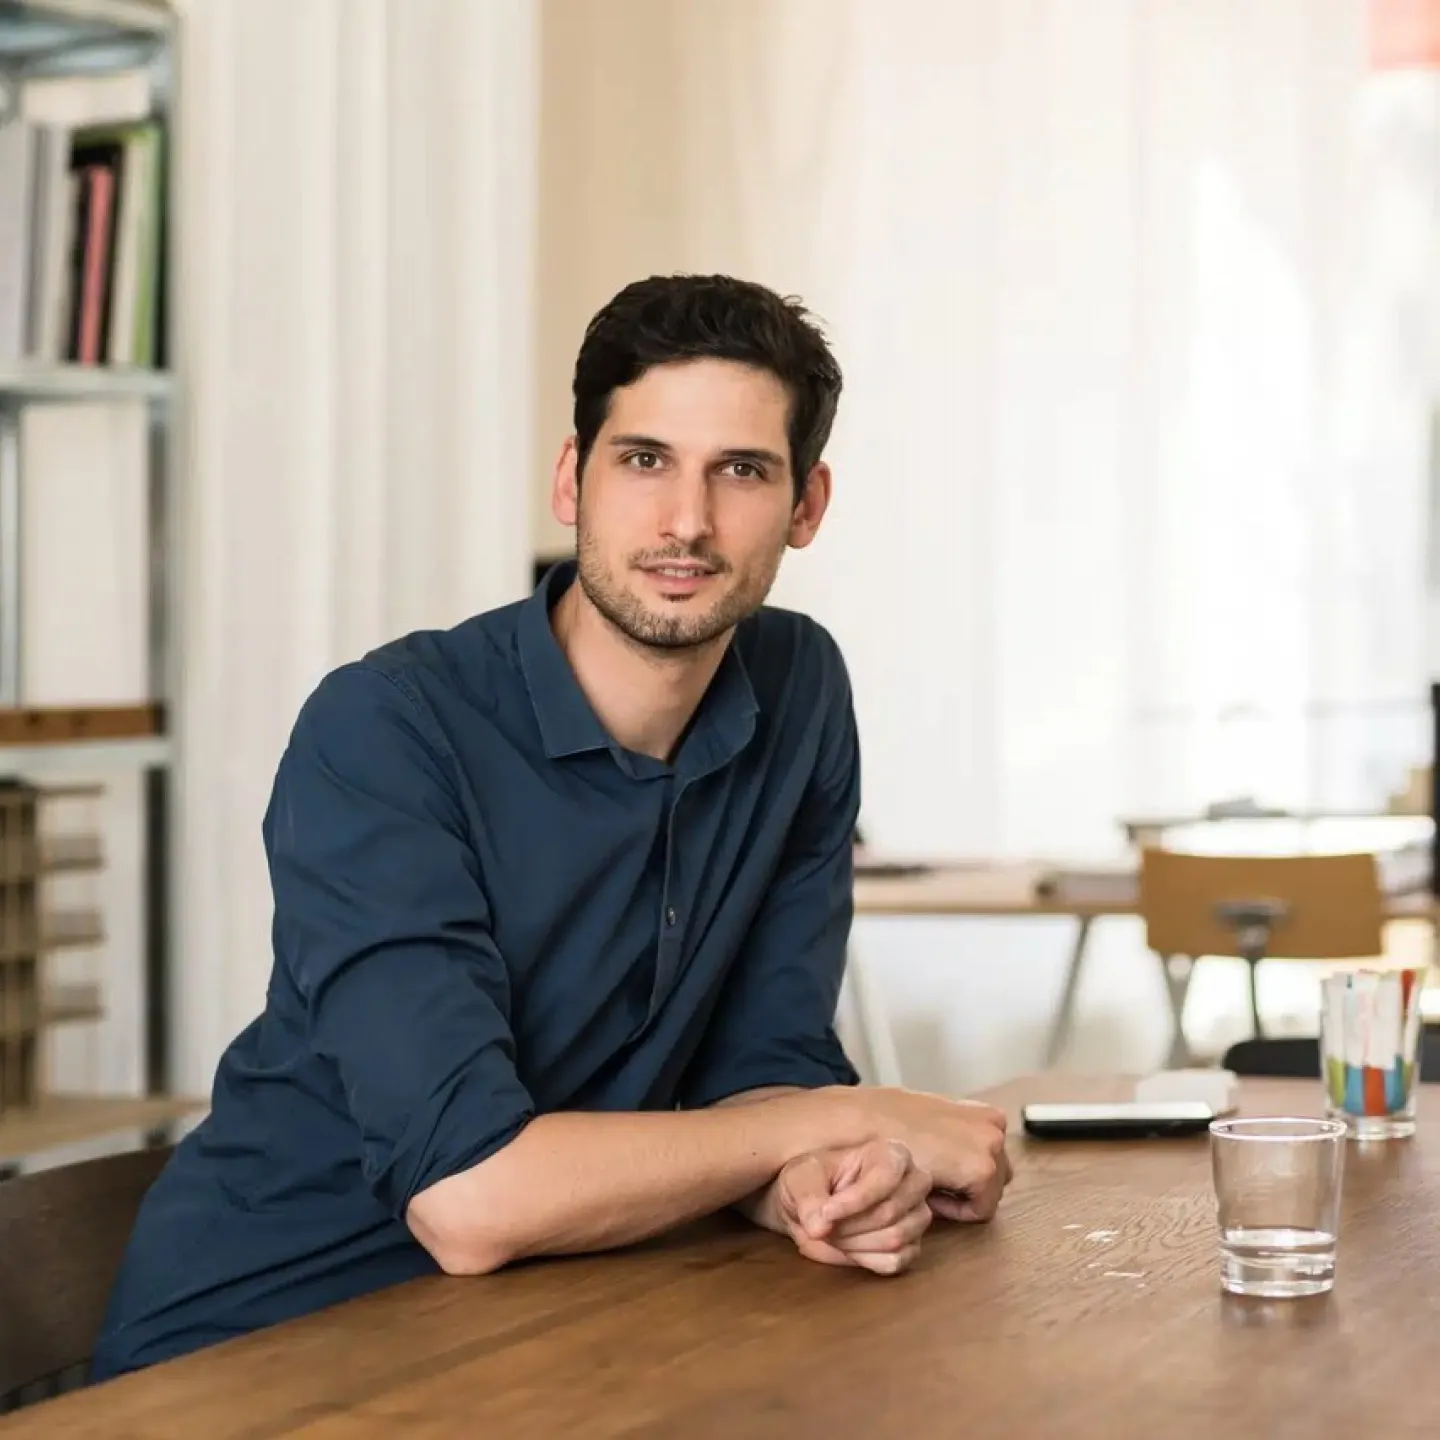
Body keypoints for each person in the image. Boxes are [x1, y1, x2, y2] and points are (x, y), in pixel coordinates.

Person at [91, 274, 1012, 1379]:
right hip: (255, 1352)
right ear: (572, 479)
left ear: (807, 506)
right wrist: (851, 1117)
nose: (687, 521)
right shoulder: (386, 729)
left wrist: (823, 1186)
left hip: (540, 1331)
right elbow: (469, 1200)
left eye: (742, 471)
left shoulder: (800, 690)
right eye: (644, 460)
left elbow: (765, 1070)